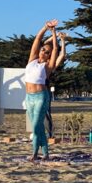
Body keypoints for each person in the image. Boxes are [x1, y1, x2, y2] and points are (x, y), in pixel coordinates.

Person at [25, 20, 58, 160]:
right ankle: (45, 154)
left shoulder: (47, 66)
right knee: (37, 128)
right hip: (28, 97)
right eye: (43, 49)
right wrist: (45, 27)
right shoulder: (32, 60)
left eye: (47, 51)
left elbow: (56, 49)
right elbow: (37, 39)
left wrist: (54, 33)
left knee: (36, 126)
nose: (44, 51)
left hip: (40, 97)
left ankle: (34, 153)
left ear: (49, 55)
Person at [44, 32, 67, 138]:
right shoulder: (38, 61)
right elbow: (45, 43)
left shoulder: (51, 65)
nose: (45, 53)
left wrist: (62, 40)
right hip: (35, 91)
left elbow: (62, 55)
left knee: (46, 112)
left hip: (45, 90)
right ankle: (42, 132)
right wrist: (55, 36)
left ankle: (49, 134)